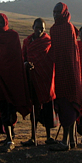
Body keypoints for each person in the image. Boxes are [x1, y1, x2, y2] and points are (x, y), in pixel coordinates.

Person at [0, 13, 31, 152]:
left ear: (6, 22)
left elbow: (16, 57)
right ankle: (10, 138)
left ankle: (11, 136)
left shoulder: (13, 36)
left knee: (11, 107)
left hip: (12, 77)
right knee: (3, 107)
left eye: (1, 22)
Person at [49, 2, 82, 151]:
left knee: (69, 105)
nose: (56, 15)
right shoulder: (53, 29)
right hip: (59, 72)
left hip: (69, 72)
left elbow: (70, 53)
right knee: (64, 104)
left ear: (64, 13)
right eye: (54, 12)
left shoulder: (69, 28)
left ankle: (65, 141)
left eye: (58, 12)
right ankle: (70, 141)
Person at [20, 18, 59, 146]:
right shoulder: (27, 41)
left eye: (42, 28)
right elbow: (23, 58)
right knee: (34, 109)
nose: (40, 30)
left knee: (47, 108)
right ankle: (33, 137)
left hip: (46, 79)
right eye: (37, 27)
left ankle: (49, 137)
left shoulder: (48, 41)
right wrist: (26, 64)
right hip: (32, 78)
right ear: (33, 27)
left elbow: (53, 58)